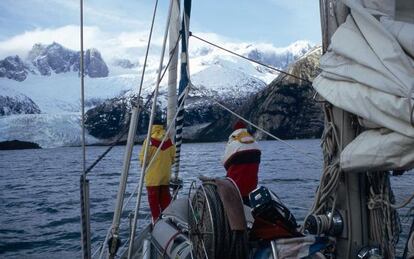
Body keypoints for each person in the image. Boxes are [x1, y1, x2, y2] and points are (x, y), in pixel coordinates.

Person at [139, 120, 176, 222]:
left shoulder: (149, 141)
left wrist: (142, 163)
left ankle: (156, 220)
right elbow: (173, 159)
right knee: (165, 198)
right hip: (165, 175)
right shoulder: (168, 140)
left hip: (153, 177)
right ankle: (168, 219)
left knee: (153, 200)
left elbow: (144, 160)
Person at [222, 120, 261, 205]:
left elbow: (224, 163)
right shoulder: (255, 143)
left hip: (235, 186)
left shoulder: (233, 143)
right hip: (252, 185)